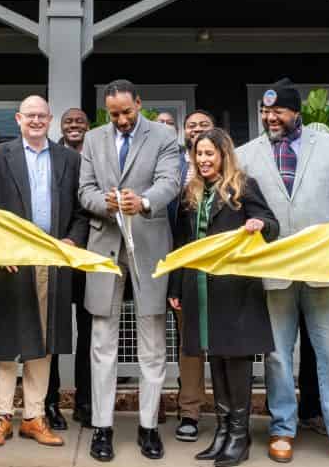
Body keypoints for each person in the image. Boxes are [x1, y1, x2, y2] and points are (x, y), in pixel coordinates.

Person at [235, 83, 329, 467]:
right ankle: (282, 429)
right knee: (277, 356)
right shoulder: (246, 155)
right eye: (265, 112)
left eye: (277, 112)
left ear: (296, 112)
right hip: (274, 268)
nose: (270, 118)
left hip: (324, 266)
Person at [0, 96, 89, 449]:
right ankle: (1, 416)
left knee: (43, 341)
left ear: (50, 119)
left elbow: (83, 210)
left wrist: (72, 239)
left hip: (51, 258)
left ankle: (34, 416)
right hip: (9, 259)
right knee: (6, 341)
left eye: (42, 116)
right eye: (30, 116)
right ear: (18, 119)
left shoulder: (69, 159)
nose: (37, 121)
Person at [79, 79, 181, 462]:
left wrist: (146, 201)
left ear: (140, 103)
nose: (120, 120)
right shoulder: (93, 139)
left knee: (152, 341)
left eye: (126, 112)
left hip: (149, 247)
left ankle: (148, 426)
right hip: (104, 246)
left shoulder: (164, 136)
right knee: (102, 341)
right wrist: (103, 202)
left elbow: (170, 181)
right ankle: (102, 428)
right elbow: (83, 190)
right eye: (113, 114)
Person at [169, 128, 279, 467]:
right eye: (198, 154)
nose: (203, 160)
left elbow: (272, 225)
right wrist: (176, 286)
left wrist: (259, 224)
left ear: (223, 155)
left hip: (234, 287)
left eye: (209, 154)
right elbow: (183, 244)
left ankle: (239, 434)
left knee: (236, 358)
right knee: (214, 357)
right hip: (199, 286)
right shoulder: (191, 193)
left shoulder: (243, 186)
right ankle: (222, 430)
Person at [170, 109, 216, 443]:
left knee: (227, 346)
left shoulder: (239, 181)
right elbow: (179, 237)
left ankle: (230, 414)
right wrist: (174, 280)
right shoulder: (177, 174)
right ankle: (189, 411)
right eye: (191, 127)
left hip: (226, 278)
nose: (197, 132)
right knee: (190, 347)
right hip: (185, 272)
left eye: (203, 128)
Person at [50, 106, 93, 428]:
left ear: (88, 126)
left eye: (79, 121)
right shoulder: (51, 158)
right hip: (58, 254)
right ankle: (50, 402)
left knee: (90, 334)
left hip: (92, 256)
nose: (74, 125)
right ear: (60, 127)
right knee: (52, 330)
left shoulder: (97, 156)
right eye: (68, 122)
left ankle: (86, 402)